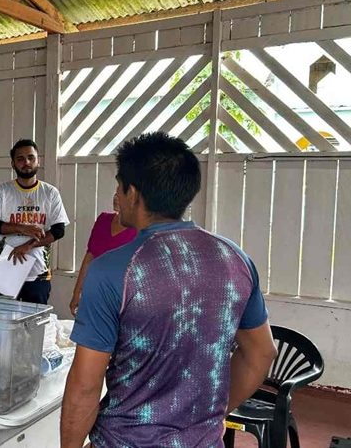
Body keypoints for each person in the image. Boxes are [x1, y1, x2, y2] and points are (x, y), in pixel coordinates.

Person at [60, 132, 278, 448]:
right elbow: (261, 352)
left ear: (133, 193)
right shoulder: (234, 259)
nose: (116, 197)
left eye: (119, 187)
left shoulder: (111, 270)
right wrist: (202, 418)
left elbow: (85, 386)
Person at [0, 139, 69, 304]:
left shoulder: (50, 192)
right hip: (7, 268)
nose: (26, 162)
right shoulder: (2, 191)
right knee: (5, 323)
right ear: (13, 163)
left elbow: (59, 230)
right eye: (20, 159)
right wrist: (24, 228)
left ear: (39, 161)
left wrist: (28, 246)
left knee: (34, 325)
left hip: (38, 273)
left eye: (31, 157)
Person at [68, 194, 137, 316]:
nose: (116, 197)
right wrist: (77, 293)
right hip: (95, 293)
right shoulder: (103, 220)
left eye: (121, 194)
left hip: (120, 299)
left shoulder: (138, 230)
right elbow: (89, 258)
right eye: (115, 194)